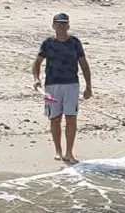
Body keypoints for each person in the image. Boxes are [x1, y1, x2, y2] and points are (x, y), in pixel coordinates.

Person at [31, 12, 92, 164]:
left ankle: (69, 153)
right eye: (59, 24)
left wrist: (88, 86)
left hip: (72, 85)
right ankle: (58, 151)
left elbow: (84, 65)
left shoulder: (75, 43)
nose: (62, 27)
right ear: (53, 26)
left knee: (71, 118)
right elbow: (37, 63)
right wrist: (36, 78)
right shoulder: (48, 43)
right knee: (55, 118)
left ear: (68, 26)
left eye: (64, 24)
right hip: (52, 86)